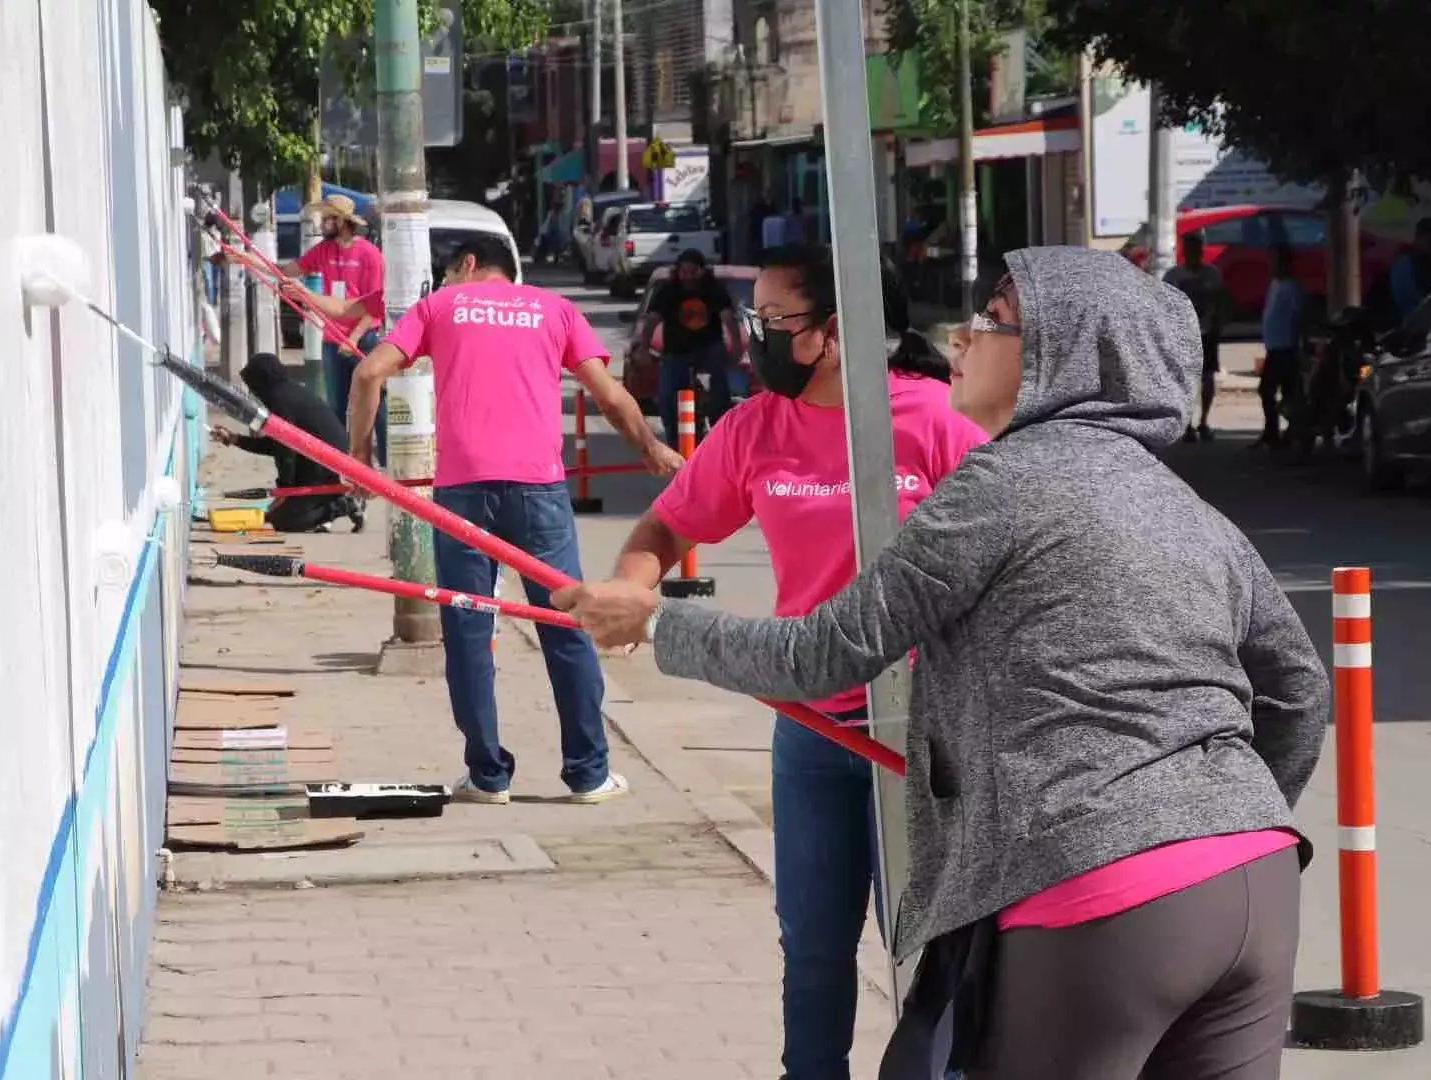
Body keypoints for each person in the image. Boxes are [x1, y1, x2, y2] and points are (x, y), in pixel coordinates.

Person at [558, 246, 1328, 1080]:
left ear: (1059, 352)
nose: (958, 339)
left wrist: (664, 627)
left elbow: (828, 650)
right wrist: (1202, 814)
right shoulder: (1183, 504)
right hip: (1253, 868)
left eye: (991, 322)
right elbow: (1297, 689)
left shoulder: (1001, 481)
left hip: (1105, 885)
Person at [609, 243, 986, 1080]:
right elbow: (669, 526)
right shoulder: (758, 427)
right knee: (813, 943)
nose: (755, 341)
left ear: (838, 332)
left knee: (931, 951)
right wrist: (631, 590)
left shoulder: (936, 423)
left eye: (773, 323)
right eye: (756, 321)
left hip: (927, 742)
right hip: (812, 730)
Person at [347, 235, 685, 804]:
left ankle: (487, 777)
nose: (448, 281)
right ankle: (589, 774)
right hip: (539, 492)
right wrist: (652, 450)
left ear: (470, 265)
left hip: (461, 496)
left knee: (469, 632)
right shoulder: (554, 309)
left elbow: (366, 375)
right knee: (570, 624)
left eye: (451, 271)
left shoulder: (439, 307)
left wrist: (358, 458)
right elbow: (609, 396)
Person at [252, 194, 388, 459]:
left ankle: (384, 461)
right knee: (336, 406)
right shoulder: (323, 250)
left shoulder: (370, 255)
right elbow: (287, 270)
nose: (322, 224)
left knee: (375, 405)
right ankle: (340, 464)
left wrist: (354, 338)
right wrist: (248, 259)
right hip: (332, 339)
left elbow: (374, 306)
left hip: (365, 339)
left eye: (327, 219)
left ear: (342, 221)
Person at [223, 353, 365, 533]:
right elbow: (277, 445)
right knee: (277, 514)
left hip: (326, 466)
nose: (253, 391)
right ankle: (329, 501)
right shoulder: (287, 391)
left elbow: (285, 451)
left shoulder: (280, 401)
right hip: (320, 461)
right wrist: (236, 439)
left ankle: (341, 504)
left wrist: (285, 490)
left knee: (284, 521)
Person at [631, 249, 744, 440]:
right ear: (678, 271)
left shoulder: (713, 289)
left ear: (702, 271)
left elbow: (728, 318)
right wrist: (643, 347)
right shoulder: (669, 290)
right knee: (667, 399)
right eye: (685, 271)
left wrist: (737, 348)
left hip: (709, 348)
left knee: (720, 394)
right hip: (677, 351)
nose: (689, 276)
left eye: (693, 271)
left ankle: (721, 438)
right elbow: (652, 319)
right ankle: (675, 444)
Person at [1164, 232, 1231, 442]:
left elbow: (1222, 301)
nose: (1195, 253)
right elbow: (1164, 305)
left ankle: (1204, 421)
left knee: (1207, 376)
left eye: (1198, 248)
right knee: (1185, 379)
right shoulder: (1174, 276)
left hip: (1207, 332)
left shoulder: (1212, 274)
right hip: (1183, 335)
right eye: (1191, 249)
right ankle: (1187, 425)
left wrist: (1220, 325)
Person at [1257, 244, 1306, 450]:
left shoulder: (1292, 287)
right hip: (1274, 346)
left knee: (1274, 390)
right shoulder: (1275, 284)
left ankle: (1284, 432)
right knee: (1275, 391)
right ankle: (1275, 432)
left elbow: (1301, 314)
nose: (1272, 265)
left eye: (1277, 261)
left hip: (1286, 347)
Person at [1389, 217, 1431, 320]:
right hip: (1413, 324)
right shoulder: (1404, 264)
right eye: (1428, 236)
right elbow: (1407, 302)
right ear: (1417, 237)